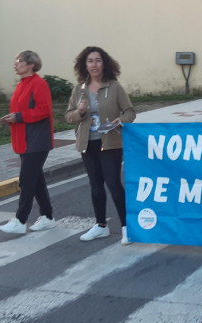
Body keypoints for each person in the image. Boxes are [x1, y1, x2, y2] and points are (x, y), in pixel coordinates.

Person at [65, 46, 136, 244]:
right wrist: (79, 112)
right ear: (84, 65)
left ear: (104, 63)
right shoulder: (79, 89)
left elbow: (130, 112)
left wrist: (119, 120)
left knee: (113, 183)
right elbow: (69, 117)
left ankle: (126, 226)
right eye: (90, 61)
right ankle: (100, 225)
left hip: (110, 143)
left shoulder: (114, 87)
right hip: (88, 143)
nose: (94, 64)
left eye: (97, 60)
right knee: (95, 185)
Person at [0, 50, 56, 235]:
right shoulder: (22, 84)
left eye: (19, 61)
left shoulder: (39, 84)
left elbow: (43, 110)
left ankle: (21, 220)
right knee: (36, 181)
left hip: (37, 141)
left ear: (31, 64)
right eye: (16, 61)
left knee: (27, 180)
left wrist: (19, 117)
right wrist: (11, 118)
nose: (15, 64)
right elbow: (21, 111)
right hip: (24, 139)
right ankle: (48, 216)